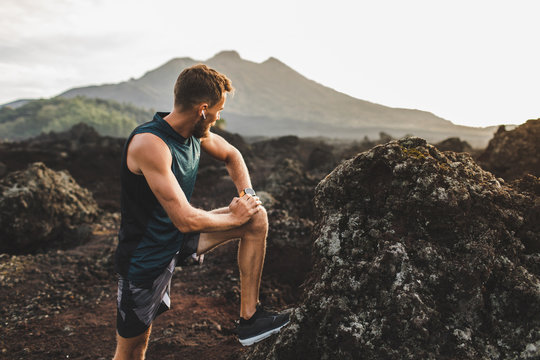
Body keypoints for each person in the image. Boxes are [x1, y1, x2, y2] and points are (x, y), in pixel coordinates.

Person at [112, 64, 289, 359]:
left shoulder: (197, 134)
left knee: (256, 217)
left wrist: (248, 198)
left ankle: (250, 318)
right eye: (219, 110)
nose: (219, 117)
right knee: (132, 351)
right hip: (145, 258)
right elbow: (184, 219)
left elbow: (233, 154)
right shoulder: (150, 144)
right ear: (203, 109)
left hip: (178, 239)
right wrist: (233, 216)